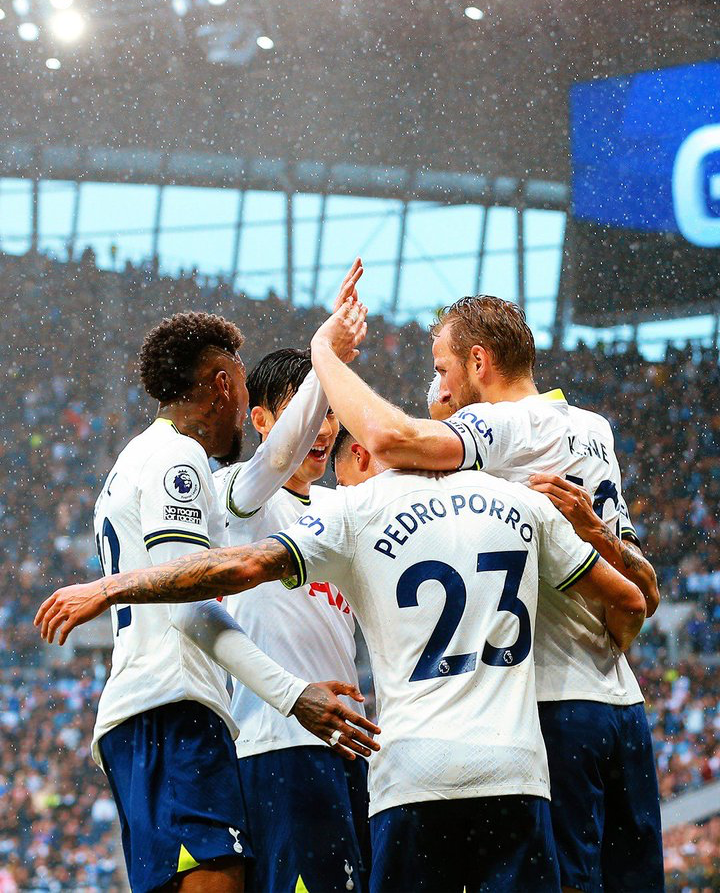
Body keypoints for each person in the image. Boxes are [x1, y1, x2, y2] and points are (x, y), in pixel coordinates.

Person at [35, 431, 646, 892]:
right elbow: (631, 598)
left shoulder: (354, 513)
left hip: (402, 769)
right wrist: (612, 639)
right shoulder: (508, 502)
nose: (320, 444)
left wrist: (113, 586)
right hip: (503, 770)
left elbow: (235, 569)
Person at [307, 295, 663, 893]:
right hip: (620, 705)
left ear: (479, 361)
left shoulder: (502, 425)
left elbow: (388, 441)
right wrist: (602, 546)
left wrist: (324, 353)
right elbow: (637, 594)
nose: (437, 385)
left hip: (547, 706)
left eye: (442, 369)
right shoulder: (592, 429)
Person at [67, 311, 379, 893]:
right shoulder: (188, 467)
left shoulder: (139, 463)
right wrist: (324, 358)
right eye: (239, 383)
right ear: (222, 385)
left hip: (177, 715)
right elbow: (188, 599)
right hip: (185, 710)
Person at [210, 260, 371, 892]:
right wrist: (326, 351)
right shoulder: (239, 499)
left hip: (350, 748)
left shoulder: (342, 510)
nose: (324, 428)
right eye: (310, 411)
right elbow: (275, 462)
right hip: (276, 744)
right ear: (261, 420)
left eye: (332, 412)